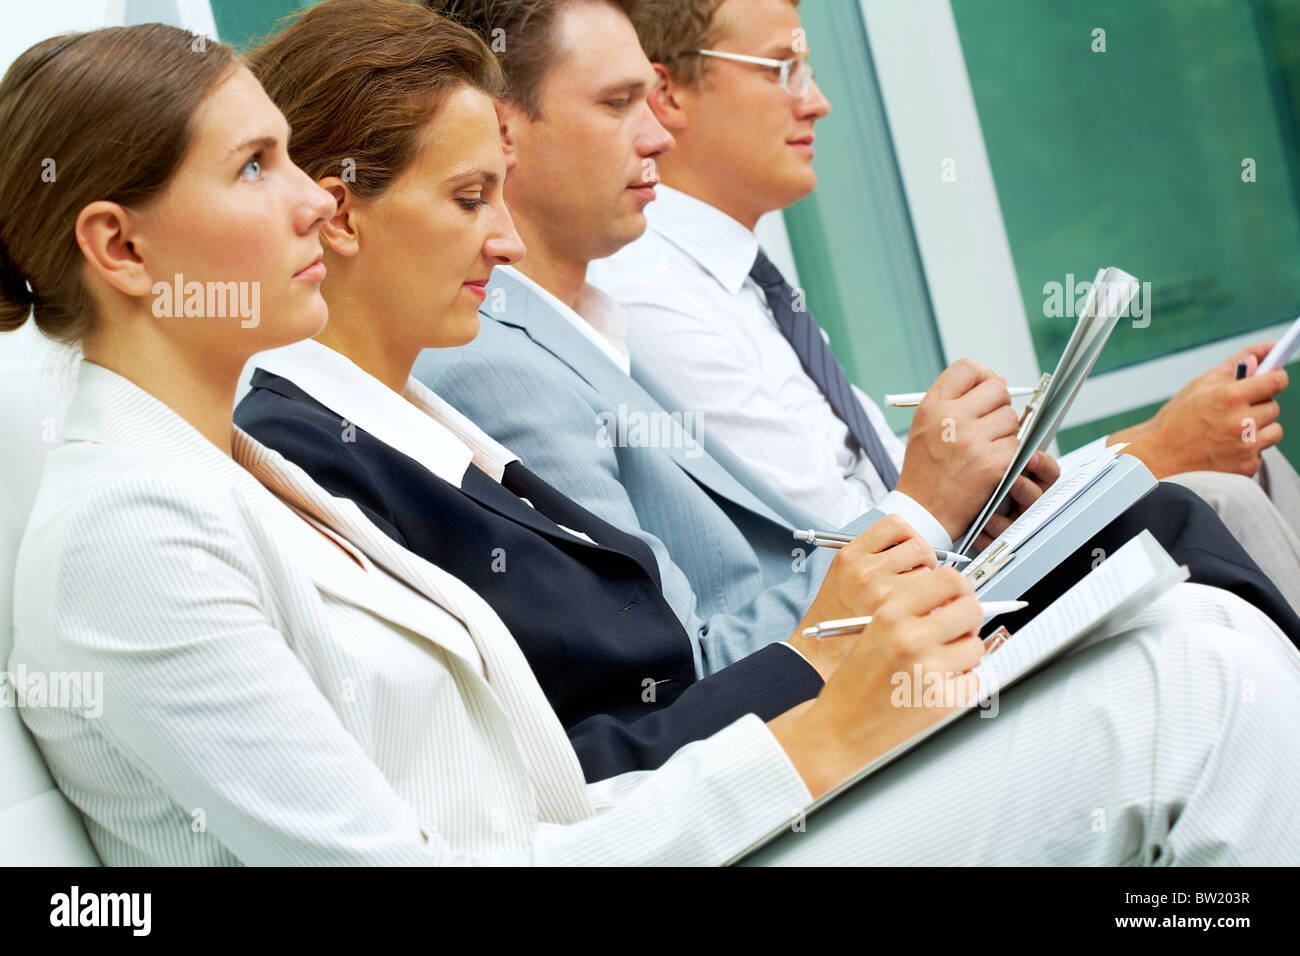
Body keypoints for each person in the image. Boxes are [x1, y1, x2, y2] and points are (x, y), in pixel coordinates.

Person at [6, 10, 1300, 868]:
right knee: (1194, 680)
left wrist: (826, 718)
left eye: (301, 161)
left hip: (656, 832)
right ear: (118, 244)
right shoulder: (132, 528)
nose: (313, 207)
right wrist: (810, 732)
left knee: (1199, 635)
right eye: (255, 171)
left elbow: (546, 799)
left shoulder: (256, 472)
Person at [413, 0, 1300, 645]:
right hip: (864, 656)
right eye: (782, 69)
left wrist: (974, 496)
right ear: (505, 131)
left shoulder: (610, 311)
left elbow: (867, 512)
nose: (819, 101)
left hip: (895, 611)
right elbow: (699, 647)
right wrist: (1131, 456)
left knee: (1223, 499)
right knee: (1198, 513)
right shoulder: (601, 317)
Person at [233, 0, 932, 783]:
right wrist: (823, 669)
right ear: (341, 216)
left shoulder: (434, 430)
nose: (508, 240)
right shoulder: (322, 459)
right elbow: (543, 778)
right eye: (470, 199)